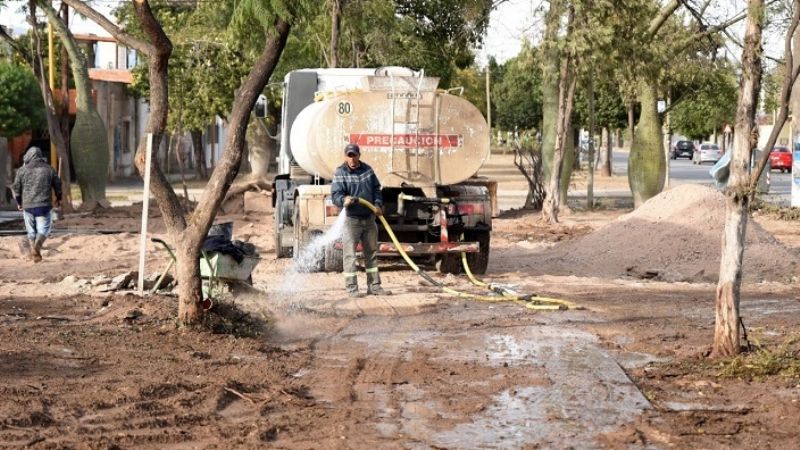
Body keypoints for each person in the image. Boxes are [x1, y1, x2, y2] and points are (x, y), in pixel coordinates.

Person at [331, 143, 392, 298]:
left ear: (359, 155)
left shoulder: (367, 171)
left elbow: (376, 189)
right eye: (349, 155)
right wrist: (343, 199)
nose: (352, 159)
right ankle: (352, 289)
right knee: (350, 255)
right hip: (352, 221)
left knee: (371, 253)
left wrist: (378, 204)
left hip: (369, 219)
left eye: (354, 155)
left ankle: (374, 286)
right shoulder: (340, 173)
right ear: (345, 156)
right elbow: (336, 194)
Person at [12, 146, 62, 262]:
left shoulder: (22, 170)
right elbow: (58, 186)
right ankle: (37, 247)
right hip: (44, 205)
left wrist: (19, 202)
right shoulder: (49, 169)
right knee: (43, 230)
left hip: (28, 206)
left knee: (31, 230)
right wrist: (58, 199)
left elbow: (16, 188)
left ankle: (33, 250)